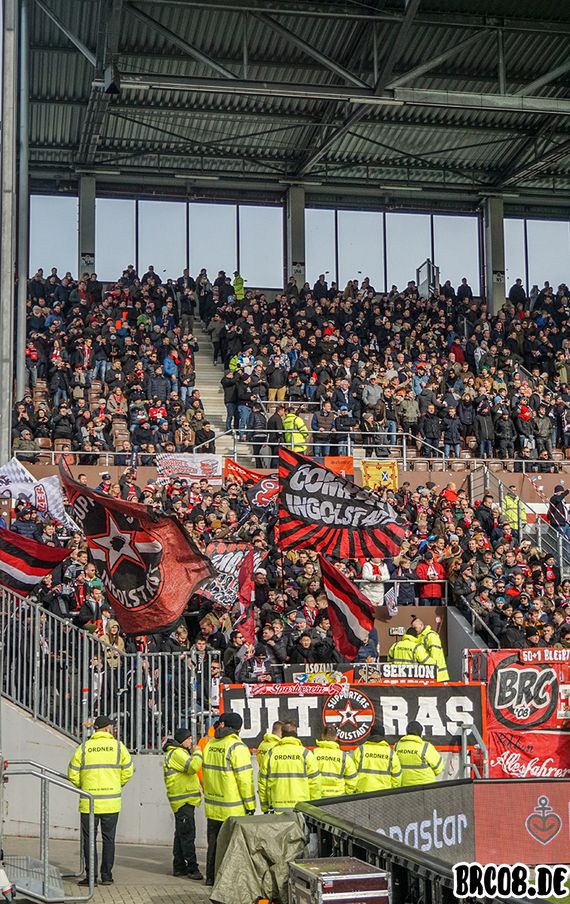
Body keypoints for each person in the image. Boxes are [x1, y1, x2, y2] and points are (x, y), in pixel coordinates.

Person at [67, 715, 134, 886]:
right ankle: (107, 876)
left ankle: (91, 877)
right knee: (108, 839)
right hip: (111, 802)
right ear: (107, 728)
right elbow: (128, 771)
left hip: (89, 802)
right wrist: (117, 784)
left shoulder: (84, 747)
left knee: (89, 840)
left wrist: (84, 786)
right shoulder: (118, 747)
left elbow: (72, 773)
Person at [193, 712, 255, 887]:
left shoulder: (210, 745)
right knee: (231, 846)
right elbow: (244, 780)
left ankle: (211, 878)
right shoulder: (237, 747)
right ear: (239, 729)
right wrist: (250, 805)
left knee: (213, 844)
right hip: (232, 808)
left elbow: (205, 773)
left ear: (222, 725)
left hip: (213, 805)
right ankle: (227, 882)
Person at [162, 728, 203, 880]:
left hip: (183, 799)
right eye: (189, 738)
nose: (192, 741)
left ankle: (179, 866)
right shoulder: (177, 753)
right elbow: (193, 767)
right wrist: (198, 753)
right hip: (183, 799)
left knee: (181, 834)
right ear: (182, 740)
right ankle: (192, 868)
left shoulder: (178, 752)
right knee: (187, 835)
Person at [258, 719, 320, 814]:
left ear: (282, 734)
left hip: (277, 808)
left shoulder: (270, 754)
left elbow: (262, 783)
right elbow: (315, 783)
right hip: (302, 809)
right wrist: (314, 809)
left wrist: (265, 807)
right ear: (296, 734)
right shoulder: (306, 754)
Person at [352, 723, 401, 792]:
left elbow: (351, 774)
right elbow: (396, 777)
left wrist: (354, 791)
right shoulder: (390, 753)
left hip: (362, 793)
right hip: (384, 793)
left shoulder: (360, 750)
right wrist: (391, 792)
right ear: (383, 735)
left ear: (370, 734)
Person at [394, 720, 443, 787]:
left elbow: (394, 768)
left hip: (404, 788)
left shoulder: (397, 746)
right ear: (420, 733)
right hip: (426, 788)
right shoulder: (426, 747)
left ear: (407, 732)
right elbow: (439, 769)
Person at [314, 726, 357, 797]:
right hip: (338, 796)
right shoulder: (344, 756)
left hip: (318, 795)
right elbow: (352, 778)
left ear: (322, 736)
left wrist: (314, 793)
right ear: (336, 737)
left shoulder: (313, 754)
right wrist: (347, 793)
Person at [411, 616, 449, 681]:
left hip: (437, 675)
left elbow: (435, 655)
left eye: (415, 628)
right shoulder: (420, 637)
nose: (414, 630)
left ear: (421, 625)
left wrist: (432, 669)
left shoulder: (431, 636)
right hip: (429, 673)